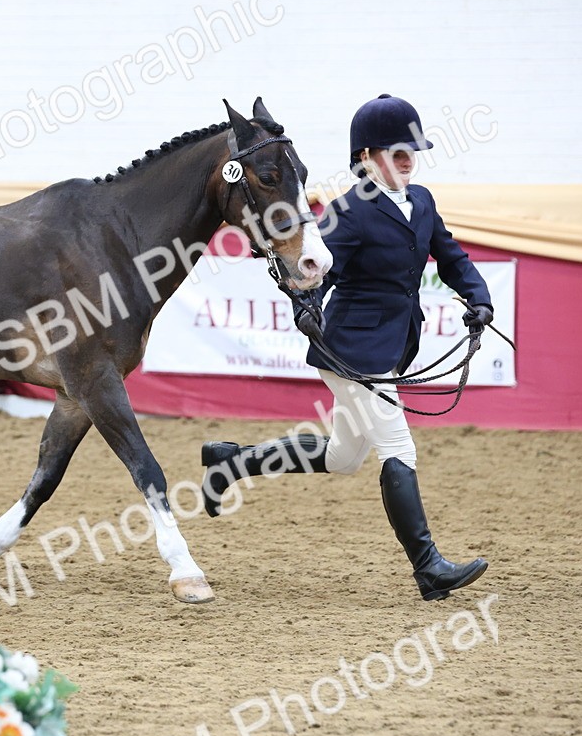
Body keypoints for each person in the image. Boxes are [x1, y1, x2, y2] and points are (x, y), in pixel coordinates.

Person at [200, 94, 493, 602]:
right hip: (351, 350)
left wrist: (479, 299)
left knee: (343, 457)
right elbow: (313, 270)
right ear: (366, 157)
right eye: (396, 152)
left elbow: (451, 258)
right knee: (399, 448)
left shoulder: (422, 201)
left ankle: (232, 462)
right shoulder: (348, 213)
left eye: (411, 151)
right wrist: (306, 307)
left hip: (392, 346)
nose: (407, 160)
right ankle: (428, 567)